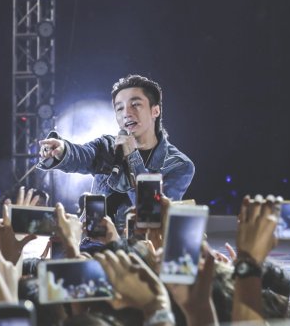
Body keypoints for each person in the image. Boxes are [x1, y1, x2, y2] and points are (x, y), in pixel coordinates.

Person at [37, 74, 195, 233]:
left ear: (155, 111)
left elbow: (153, 214)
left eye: (135, 104)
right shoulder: (107, 146)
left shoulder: (179, 165)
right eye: (120, 108)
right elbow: (83, 155)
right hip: (94, 241)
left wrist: (133, 158)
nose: (126, 113)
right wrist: (62, 149)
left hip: (139, 245)